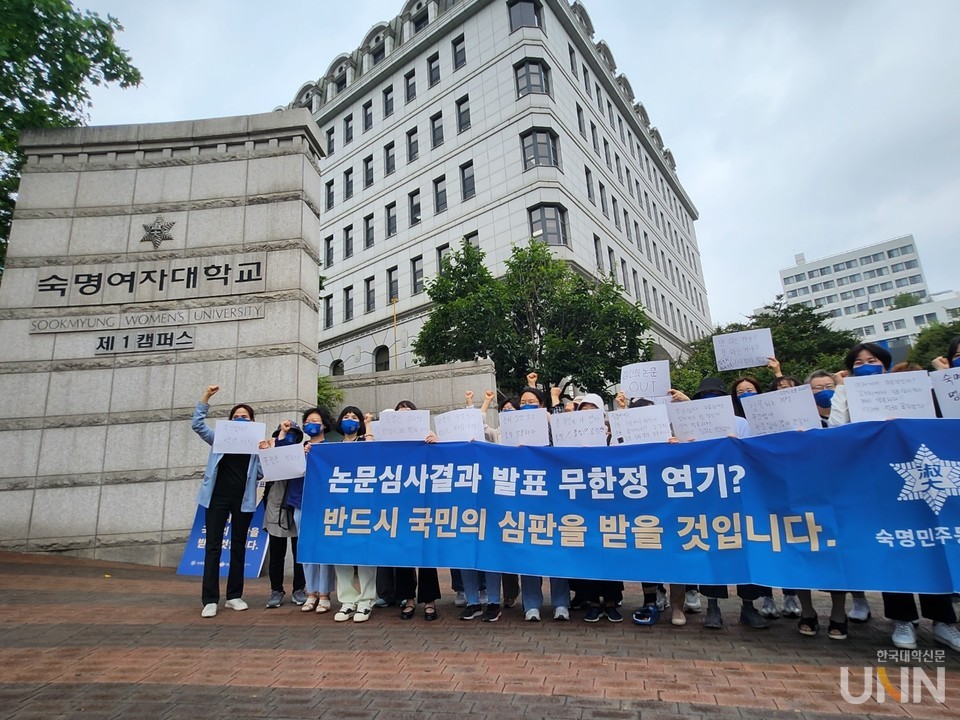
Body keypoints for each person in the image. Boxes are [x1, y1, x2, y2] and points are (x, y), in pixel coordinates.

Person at [191, 384, 262, 618]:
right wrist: (206, 398)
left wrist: (267, 451)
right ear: (230, 421)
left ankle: (234, 596)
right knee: (213, 547)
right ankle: (210, 599)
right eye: (236, 416)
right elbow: (198, 426)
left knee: (238, 548)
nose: (240, 419)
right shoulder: (218, 438)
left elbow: (262, 473)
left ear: (253, 422)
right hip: (217, 498)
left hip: (243, 500)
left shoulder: (255, 446)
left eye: (245, 417)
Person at [332, 406, 378, 623]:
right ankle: (347, 600)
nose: (349, 420)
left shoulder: (364, 441)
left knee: (365, 554)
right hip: (339, 507)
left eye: (354, 418)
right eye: (346, 417)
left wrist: (368, 425)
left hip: (364, 506)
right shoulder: (333, 448)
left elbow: (371, 450)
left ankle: (367, 600)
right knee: (341, 555)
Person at [258, 420, 307, 609]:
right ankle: (276, 590)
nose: (289, 436)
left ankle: (299, 589)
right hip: (276, 505)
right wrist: (272, 444)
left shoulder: (303, 453)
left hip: (296, 503)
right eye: (286, 433)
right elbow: (261, 474)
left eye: (293, 434)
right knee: (277, 552)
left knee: (298, 552)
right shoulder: (268, 452)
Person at [296, 407, 338, 614]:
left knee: (323, 550)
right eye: (308, 421)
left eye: (316, 421)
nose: (312, 424)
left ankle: (324, 593)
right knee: (307, 551)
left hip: (323, 507)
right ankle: (310, 592)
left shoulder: (330, 448)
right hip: (300, 504)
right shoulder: (297, 448)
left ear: (324, 425)